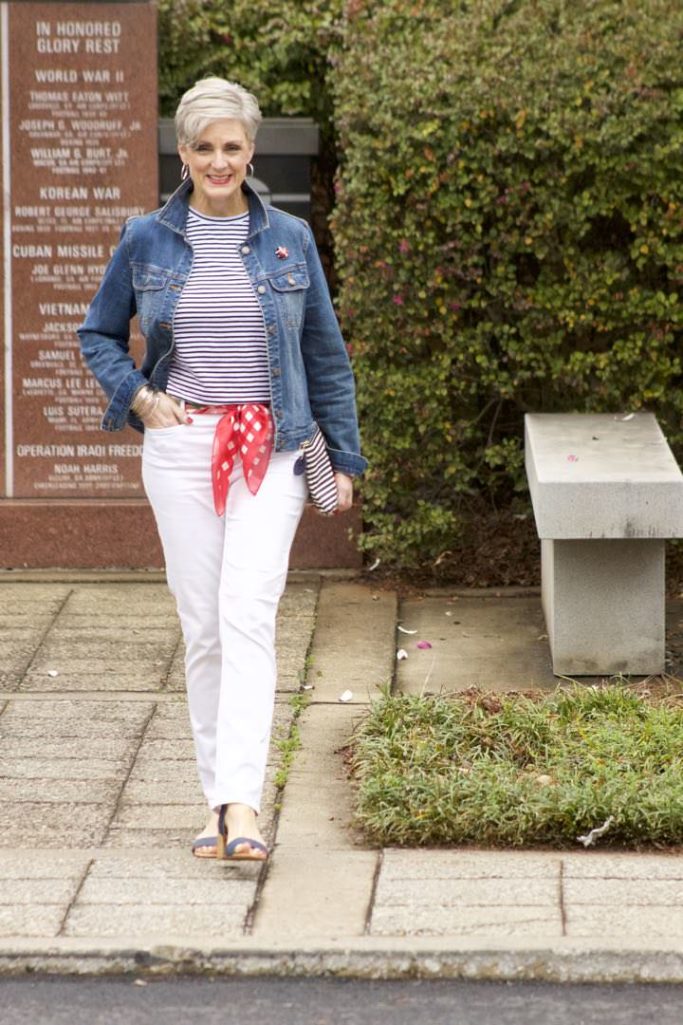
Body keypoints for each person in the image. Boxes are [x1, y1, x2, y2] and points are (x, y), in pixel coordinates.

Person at [78, 77, 366, 861]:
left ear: (250, 150)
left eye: (231, 146)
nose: (218, 160)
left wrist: (342, 456)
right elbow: (97, 333)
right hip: (181, 450)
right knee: (203, 627)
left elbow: (324, 356)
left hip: (271, 449)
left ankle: (243, 808)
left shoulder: (289, 240)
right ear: (183, 152)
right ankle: (218, 800)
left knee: (246, 613)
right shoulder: (146, 238)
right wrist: (138, 396)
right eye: (203, 147)